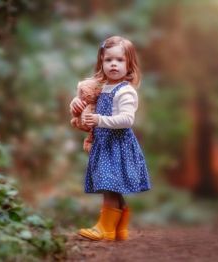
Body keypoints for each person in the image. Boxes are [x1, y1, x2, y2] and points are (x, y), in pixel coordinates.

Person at [69, 35, 151, 241]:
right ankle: (119, 229)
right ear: (101, 62)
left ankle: (105, 228)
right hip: (104, 144)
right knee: (111, 185)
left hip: (118, 145)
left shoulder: (126, 91)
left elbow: (126, 120)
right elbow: (84, 98)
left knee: (109, 186)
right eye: (108, 60)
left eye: (120, 60)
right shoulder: (101, 86)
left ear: (129, 65)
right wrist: (75, 104)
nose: (113, 64)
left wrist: (98, 119)